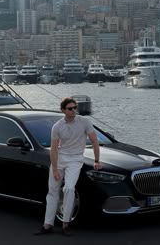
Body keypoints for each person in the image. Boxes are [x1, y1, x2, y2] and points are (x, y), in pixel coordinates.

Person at [36, 97, 102, 236]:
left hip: (76, 159)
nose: (73, 111)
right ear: (63, 110)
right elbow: (53, 149)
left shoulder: (84, 122)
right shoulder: (58, 126)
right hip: (60, 159)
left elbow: (95, 141)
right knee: (52, 191)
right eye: (70, 108)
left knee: (69, 188)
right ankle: (47, 225)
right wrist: (54, 169)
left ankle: (66, 224)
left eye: (75, 108)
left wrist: (97, 160)